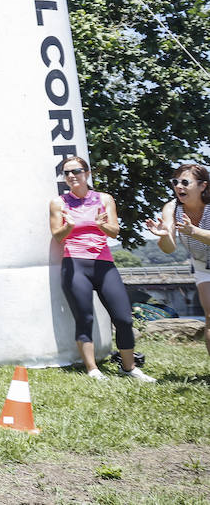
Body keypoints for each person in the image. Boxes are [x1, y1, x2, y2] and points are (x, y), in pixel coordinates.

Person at [50, 155, 155, 381]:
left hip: (104, 265)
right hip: (75, 264)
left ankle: (129, 368)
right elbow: (57, 236)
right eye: (66, 173)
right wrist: (69, 227)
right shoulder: (59, 203)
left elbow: (114, 231)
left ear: (87, 173)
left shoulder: (104, 199)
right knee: (84, 318)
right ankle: (93, 370)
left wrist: (102, 225)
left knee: (124, 319)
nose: (71, 176)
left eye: (76, 171)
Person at [150, 163, 210, 359]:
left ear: (202, 185)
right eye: (175, 182)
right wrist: (164, 236)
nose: (178, 186)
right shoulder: (172, 208)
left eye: (185, 182)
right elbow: (169, 248)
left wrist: (194, 231)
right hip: (203, 265)